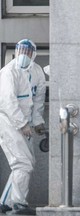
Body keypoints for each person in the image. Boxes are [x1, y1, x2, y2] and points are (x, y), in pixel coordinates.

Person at [0, 39, 46, 215]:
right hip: (7, 122)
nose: (23, 55)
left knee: (27, 163)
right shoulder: (8, 72)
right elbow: (7, 102)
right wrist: (22, 124)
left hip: (25, 123)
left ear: (33, 54)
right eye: (21, 51)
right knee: (22, 163)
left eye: (27, 52)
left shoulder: (37, 72)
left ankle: (6, 202)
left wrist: (38, 121)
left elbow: (38, 100)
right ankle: (18, 203)